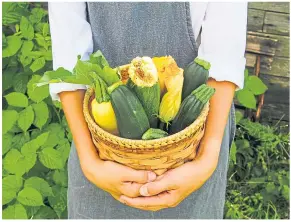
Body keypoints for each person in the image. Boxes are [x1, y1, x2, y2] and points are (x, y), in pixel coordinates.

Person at [48, 2, 247, 219]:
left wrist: (206, 159)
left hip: (196, 141)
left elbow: (224, 53)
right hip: (100, 145)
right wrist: (90, 162)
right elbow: (69, 57)